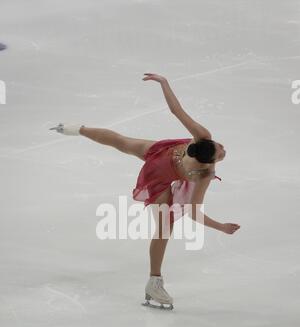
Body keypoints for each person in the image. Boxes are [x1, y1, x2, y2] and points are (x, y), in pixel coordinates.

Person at [50, 73, 240, 310]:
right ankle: (154, 281)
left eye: (220, 149)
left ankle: (74, 129)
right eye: (219, 153)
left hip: (163, 152)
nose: (223, 150)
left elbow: (176, 111)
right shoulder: (203, 174)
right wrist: (221, 227)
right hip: (159, 176)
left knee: (121, 142)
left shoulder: (202, 139)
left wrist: (164, 82)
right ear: (205, 160)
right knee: (163, 230)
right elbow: (193, 212)